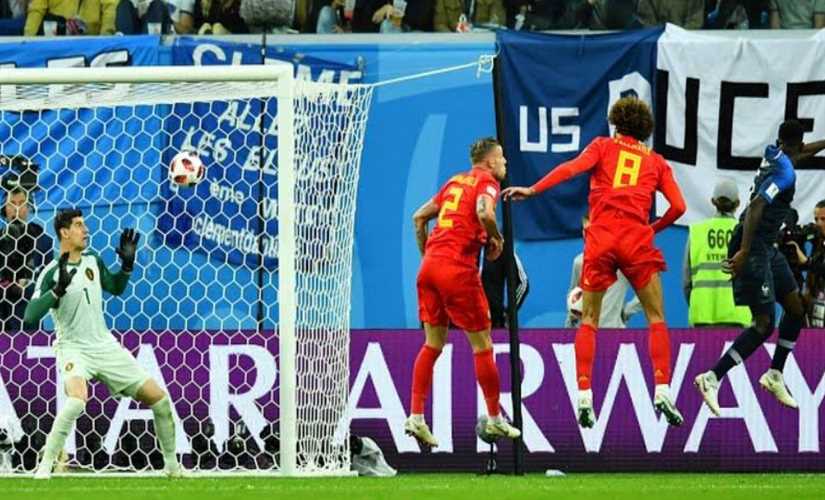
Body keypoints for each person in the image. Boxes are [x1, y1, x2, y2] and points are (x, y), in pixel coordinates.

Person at [503, 97, 686, 429]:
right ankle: (662, 389)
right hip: (635, 239)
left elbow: (571, 168)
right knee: (656, 317)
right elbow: (679, 207)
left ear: (616, 123)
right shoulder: (656, 162)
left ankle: (584, 394)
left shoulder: (602, 146)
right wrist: (651, 229)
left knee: (588, 319)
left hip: (601, 238)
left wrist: (533, 189)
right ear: (645, 130)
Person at [24, 209, 183, 479]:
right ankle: (45, 466)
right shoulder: (51, 272)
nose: (86, 230)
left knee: (159, 399)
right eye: (79, 225)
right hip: (73, 347)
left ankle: (172, 468)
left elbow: (116, 288)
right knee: (76, 400)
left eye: (84, 225)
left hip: (104, 345)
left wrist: (127, 267)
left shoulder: (93, 260)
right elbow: (30, 316)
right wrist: (57, 291)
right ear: (64, 232)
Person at [694, 120, 825, 416]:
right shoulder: (785, 173)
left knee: (796, 308)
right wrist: (743, 251)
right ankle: (711, 378)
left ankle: (774, 374)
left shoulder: (773, 153)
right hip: (751, 246)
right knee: (764, 324)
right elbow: (755, 206)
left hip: (767, 247)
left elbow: (801, 153)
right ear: (799, 144)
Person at [404, 137, 521, 447]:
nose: (505, 163)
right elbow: (485, 213)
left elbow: (418, 217)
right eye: (502, 158)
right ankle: (495, 418)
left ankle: (416, 416)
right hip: (457, 269)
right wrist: (496, 238)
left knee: (432, 343)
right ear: (491, 161)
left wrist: (428, 257)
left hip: (429, 268)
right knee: (483, 346)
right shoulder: (487, 182)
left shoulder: (454, 181)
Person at [682, 178, 752, 327]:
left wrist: (695, 304)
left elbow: (687, 282)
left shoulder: (697, 232)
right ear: (738, 204)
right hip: (738, 317)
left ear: (713, 201)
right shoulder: (746, 233)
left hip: (702, 316)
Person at [566, 212, 642, 329]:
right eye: (585, 230)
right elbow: (573, 296)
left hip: (614, 333)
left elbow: (647, 292)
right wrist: (569, 326)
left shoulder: (622, 262)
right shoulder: (579, 262)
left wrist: (627, 311)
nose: (588, 234)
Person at [0, 188, 52, 332]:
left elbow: (48, 281)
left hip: (29, 319)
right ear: (5, 208)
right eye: (12, 203)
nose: (17, 208)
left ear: (29, 207)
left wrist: (28, 285)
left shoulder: (43, 241)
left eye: (22, 203)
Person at [803, 200, 825, 327]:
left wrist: (807, 262)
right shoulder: (817, 242)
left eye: (823, 219)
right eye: (816, 219)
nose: (819, 224)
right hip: (815, 304)